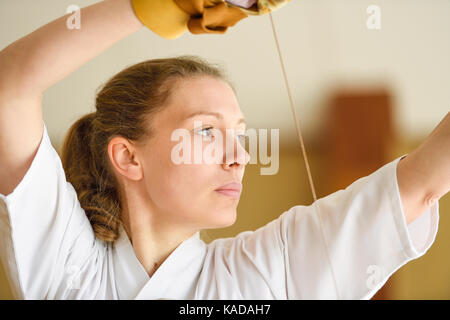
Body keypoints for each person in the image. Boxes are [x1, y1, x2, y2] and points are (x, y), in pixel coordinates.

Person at [0, 0, 448, 300]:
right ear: (129, 157)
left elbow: (422, 185)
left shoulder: (268, 268)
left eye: (240, 134)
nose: (239, 157)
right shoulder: (70, 268)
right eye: (207, 132)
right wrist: (163, 5)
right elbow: (9, 87)